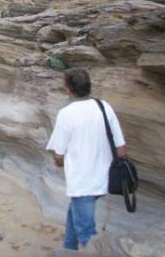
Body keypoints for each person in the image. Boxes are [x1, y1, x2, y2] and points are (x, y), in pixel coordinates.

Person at [46, 68, 127, 250]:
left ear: (68, 89)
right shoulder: (104, 107)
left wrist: (60, 162)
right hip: (105, 179)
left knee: (87, 233)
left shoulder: (67, 113)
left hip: (83, 183)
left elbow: (59, 155)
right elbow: (121, 149)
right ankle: (68, 249)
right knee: (73, 215)